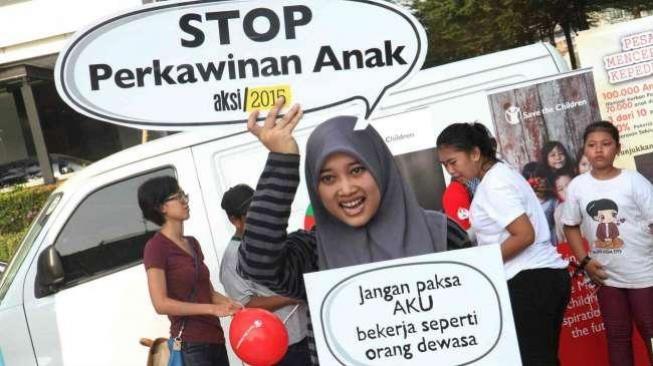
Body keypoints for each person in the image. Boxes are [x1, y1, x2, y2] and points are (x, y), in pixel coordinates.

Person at [237, 98, 470, 364]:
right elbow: (257, 260)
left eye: (357, 170)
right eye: (328, 178)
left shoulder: (441, 233)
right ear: (316, 188)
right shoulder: (313, 255)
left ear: (380, 166)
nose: (346, 189)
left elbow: (480, 323)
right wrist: (282, 159)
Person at [436, 122, 570, 365]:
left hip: (531, 280)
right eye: (444, 165)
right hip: (542, 278)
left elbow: (524, 235)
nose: (450, 170)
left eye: (452, 161)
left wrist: (483, 264)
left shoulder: (494, 183)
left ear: (475, 153)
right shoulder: (500, 174)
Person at [562, 121, 653, 366]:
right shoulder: (578, 186)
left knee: (651, 332)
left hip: (644, 273)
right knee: (617, 334)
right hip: (606, 275)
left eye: (606, 144)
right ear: (584, 150)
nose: (599, 150)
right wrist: (586, 261)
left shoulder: (634, 181)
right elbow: (569, 226)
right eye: (592, 145)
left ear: (618, 148)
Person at [138, 176, 240, 366]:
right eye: (177, 196)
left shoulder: (192, 243)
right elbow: (160, 304)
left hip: (215, 339)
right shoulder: (156, 247)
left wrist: (230, 304)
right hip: (191, 345)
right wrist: (211, 309)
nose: (185, 200)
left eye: (184, 194)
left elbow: (208, 293)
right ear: (161, 207)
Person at [219, 184, 310, 365]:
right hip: (282, 347)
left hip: (308, 334)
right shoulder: (232, 259)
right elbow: (246, 305)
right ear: (234, 220)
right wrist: (290, 296)